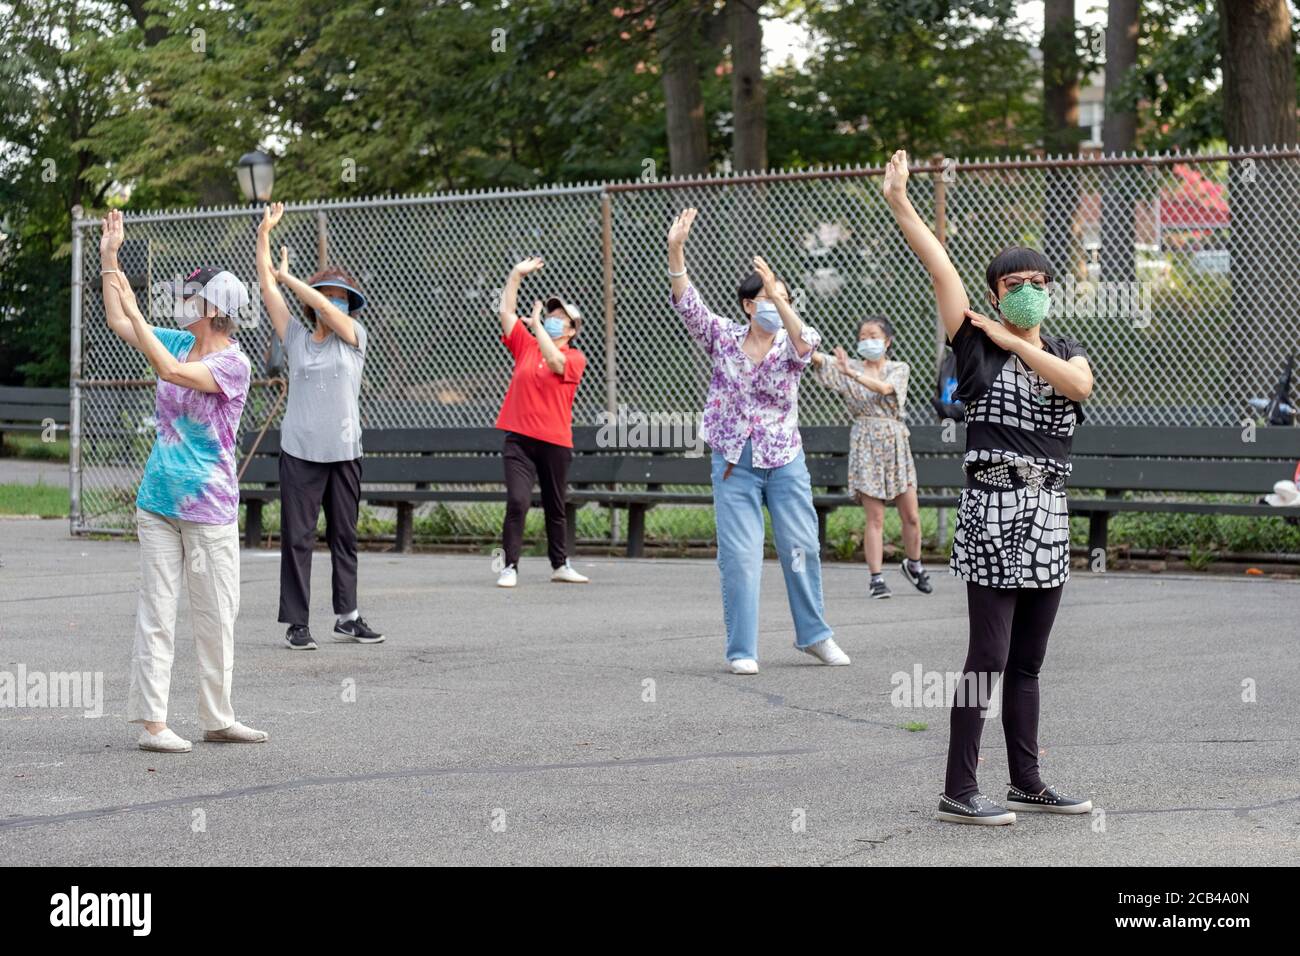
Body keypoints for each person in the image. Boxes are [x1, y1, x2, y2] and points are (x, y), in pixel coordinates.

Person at [883, 149, 1095, 824]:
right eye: (1012, 282)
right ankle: (958, 787)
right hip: (995, 509)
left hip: (1049, 514)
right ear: (995, 292)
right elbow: (941, 268)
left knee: (1029, 662)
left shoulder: (1065, 352)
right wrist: (901, 203)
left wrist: (1017, 340)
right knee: (990, 654)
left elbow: (1078, 386)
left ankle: (1027, 782)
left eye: (1037, 279)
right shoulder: (973, 347)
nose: (1026, 287)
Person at [98, 209, 267, 753]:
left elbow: (169, 372)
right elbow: (121, 325)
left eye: (192, 296)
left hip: (209, 507)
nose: (183, 301)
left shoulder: (234, 365)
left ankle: (218, 718)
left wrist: (133, 301)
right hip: (159, 500)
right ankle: (152, 723)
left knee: (217, 616)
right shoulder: (173, 339)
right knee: (157, 610)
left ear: (216, 309)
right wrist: (109, 262)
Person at [666, 207, 849, 675]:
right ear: (748, 305)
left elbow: (807, 342)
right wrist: (677, 249)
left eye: (781, 298)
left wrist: (780, 295)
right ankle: (742, 649)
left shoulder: (792, 343)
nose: (774, 304)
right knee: (742, 557)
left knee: (800, 546)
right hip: (734, 462)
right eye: (766, 298)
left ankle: (815, 636)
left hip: (784, 459)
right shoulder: (723, 338)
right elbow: (688, 303)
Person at [256, 203, 383, 650]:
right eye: (327, 295)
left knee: (345, 535)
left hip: (345, 453)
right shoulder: (295, 337)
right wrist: (265, 232)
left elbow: (323, 311)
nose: (334, 303)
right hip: (300, 453)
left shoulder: (355, 339)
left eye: (341, 296)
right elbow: (268, 286)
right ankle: (297, 622)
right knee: (298, 537)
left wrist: (295, 281)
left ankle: (347, 616)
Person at [810, 316, 932, 599]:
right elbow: (815, 358)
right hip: (865, 443)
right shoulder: (847, 365)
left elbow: (885, 389)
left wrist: (850, 373)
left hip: (895, 444)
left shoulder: (898, 369)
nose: (867, 341)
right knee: (874, 517)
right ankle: (876, 578)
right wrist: (788, 330)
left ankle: (913, 565)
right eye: (862, 336)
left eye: (873, 335)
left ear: (887, 341)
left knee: (911, 515)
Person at [493, 257, 589, 587]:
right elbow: (507, 312)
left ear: (573, 330)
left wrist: (536, 327)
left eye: (561, 318)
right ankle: (508, 567)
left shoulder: (575, 357)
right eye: (551, 315)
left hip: (555, 442)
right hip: (518, 439)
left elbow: (555, 360)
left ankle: (560, 564)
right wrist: (515, 275)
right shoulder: (526, 345)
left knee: (555, 504)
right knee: (518, 501)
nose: (552, 319)